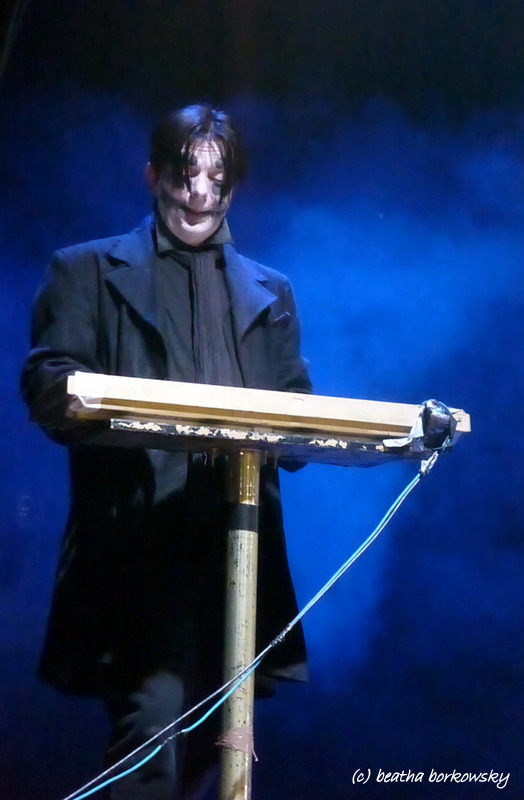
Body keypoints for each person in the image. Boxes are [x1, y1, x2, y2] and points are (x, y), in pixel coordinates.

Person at [21, 104, 312, 800]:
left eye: (217, 179)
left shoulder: (270, 291)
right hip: (140, 553)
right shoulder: (87, 270)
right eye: (186, 175)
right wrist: (105, 405)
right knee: (150, 741)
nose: (199, 194)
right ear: (154, 174)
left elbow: (297, 411)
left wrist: (302, 432)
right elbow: (50, 380)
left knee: (219, 750)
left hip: (237, 548)